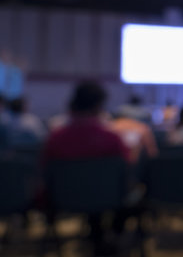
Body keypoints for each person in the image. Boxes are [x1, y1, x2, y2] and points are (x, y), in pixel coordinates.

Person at [42, 81, 130, 254]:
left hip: (62, 200)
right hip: (108, 199)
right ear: (99, 106)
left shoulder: (55, 138)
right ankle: (108, 239)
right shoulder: (113, 139)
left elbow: (43, 173)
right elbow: (127, 171)